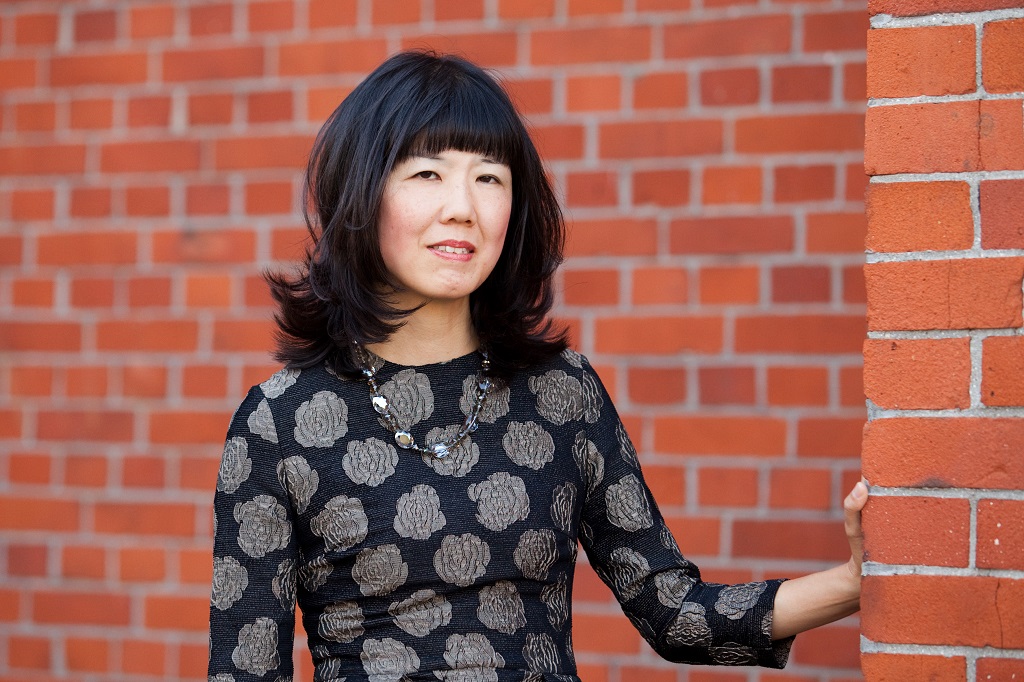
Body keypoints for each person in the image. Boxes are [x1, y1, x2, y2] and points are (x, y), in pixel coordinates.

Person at [207, 50, 868, 682]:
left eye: (489, 178)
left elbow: (675, 614)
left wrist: (854, 581)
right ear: (361, 192)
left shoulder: (561, 392)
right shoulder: (278, 424)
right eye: (428, 174)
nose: (462, 207)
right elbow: (244, 669)